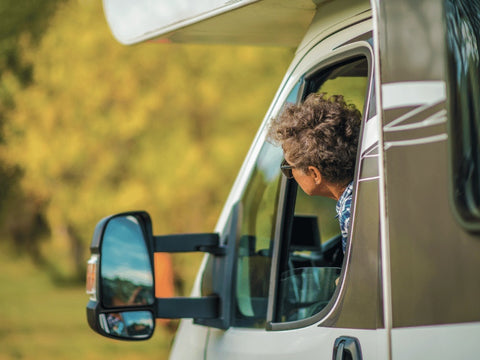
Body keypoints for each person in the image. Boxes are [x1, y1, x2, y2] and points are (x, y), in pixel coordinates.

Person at [268, 92, 361, 253]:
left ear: (315, 174)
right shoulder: (365, 195)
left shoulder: (351, 214)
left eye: (289, 167)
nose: (291, 175)